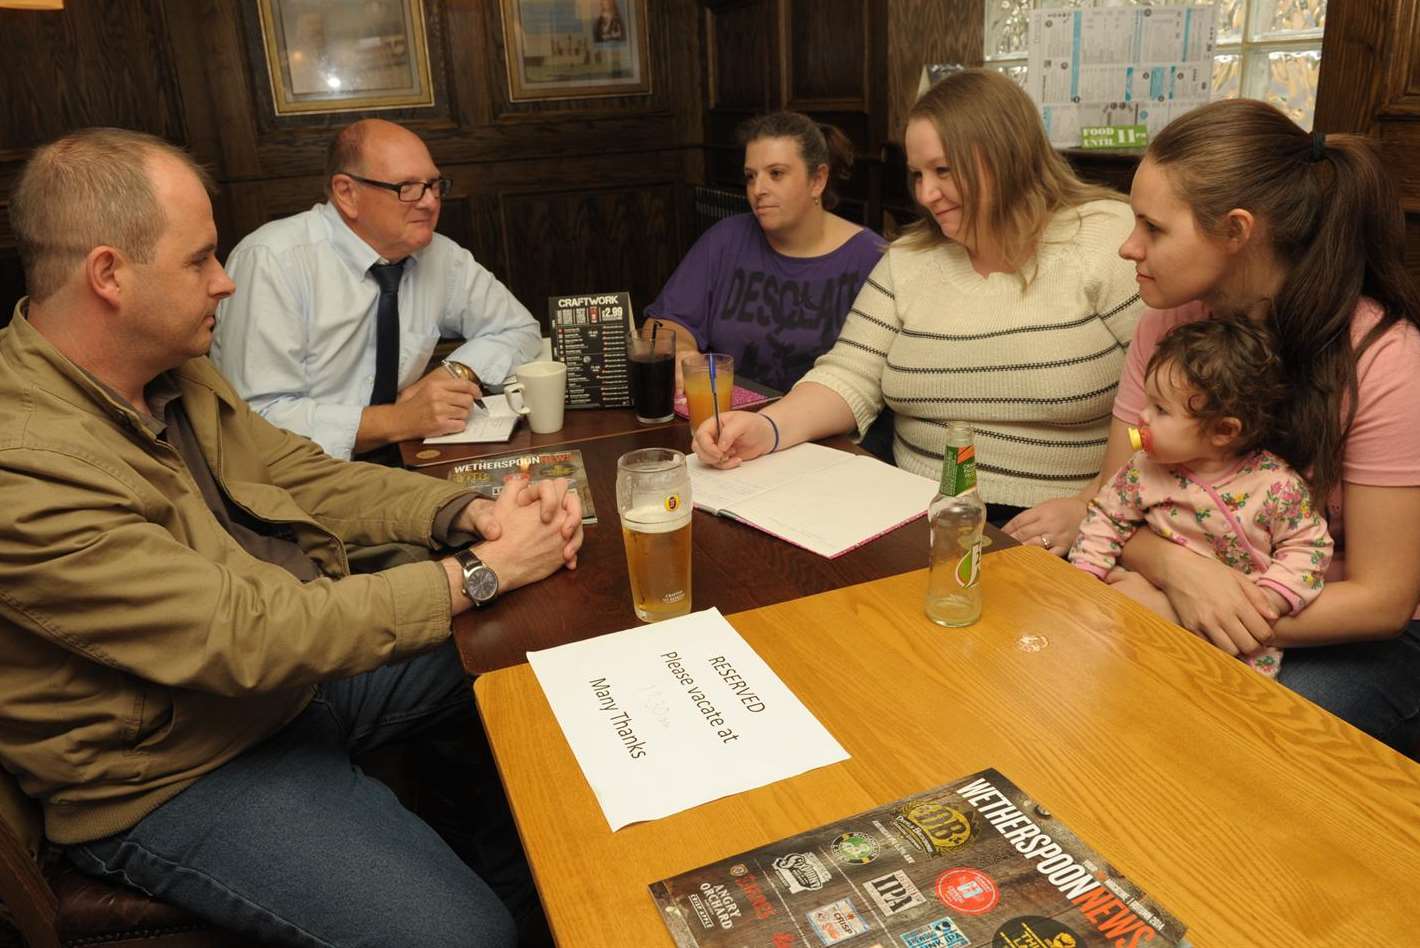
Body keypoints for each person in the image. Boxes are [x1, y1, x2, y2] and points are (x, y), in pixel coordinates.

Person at [0, 127, 583, 947]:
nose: (226, 282)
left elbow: (302, 474)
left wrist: (463, 516)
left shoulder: (171, 368)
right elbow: (242, 632)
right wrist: (478, 574)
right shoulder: (24, 462)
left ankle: (517, 878)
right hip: (182, 768)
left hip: (289, 686)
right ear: (109, 275)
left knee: (543, 633)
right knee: (465, 939)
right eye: (200, 259)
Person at [1048, 99, 1420, 752]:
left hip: (1342, 625)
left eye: (1153, 228)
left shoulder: (1387, 360)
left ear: (1236, 230)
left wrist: (1198, 611)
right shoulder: (1165, 326)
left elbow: (1382, 601)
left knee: (1234, 739)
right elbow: (1118, 499)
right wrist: (1175, 570)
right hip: (1189, 586)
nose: (1129, 247)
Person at [692, 69, 1144, 524]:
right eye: (917, 175)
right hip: (914, 513)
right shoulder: (907, 258)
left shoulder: (1106, 239)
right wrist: (766, 428)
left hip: (1064, 525)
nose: (926, 194)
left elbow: (1168, 409)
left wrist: (1091, 506)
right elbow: (849, 374)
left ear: (1007, 155)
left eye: (943, 170)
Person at [212, 118, 541, 461]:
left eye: (433, 185)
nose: (429, 202)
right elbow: (258, 420)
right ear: (347, 193)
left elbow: (519, 329)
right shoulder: (272, 261)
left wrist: (454, 372)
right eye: (407, 187)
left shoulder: (438, 255)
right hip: (299, 478)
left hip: (404, 461)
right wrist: (398, 421)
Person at [1068, 317, 1334, 678]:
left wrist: (1269, 599)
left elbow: (1310, 548)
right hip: (1142, 624)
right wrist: (1086, 578)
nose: (1143, 417)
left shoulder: (1275, 487)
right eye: (1148, 403)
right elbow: (1105, 517)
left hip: (1234, 644)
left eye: (1161, 410)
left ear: (1223, 430)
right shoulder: (1143, 469)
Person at [645, 111, 884, 394]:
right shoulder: (725, 239)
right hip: (732, 423)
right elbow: (659, 326)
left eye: (776, 174)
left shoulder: (870, 257)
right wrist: (682, 352)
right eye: (750, 177)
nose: (758, 189)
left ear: (817, 180)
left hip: (825, 431)